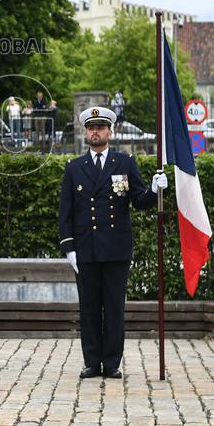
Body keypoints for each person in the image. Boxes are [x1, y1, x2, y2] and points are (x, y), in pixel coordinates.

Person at [58, 107, 166, 379]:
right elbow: (66, 212)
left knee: (115, 307)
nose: (95, 132)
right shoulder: (74, 168)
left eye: (101, 127)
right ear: (86, 132)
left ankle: (112, 363)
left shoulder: (124, 162)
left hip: (116, 248)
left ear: (110, 131)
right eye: (91, 127)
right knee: (90, 307)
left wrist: (154, 190)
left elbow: (139, 201)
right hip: (86, 248)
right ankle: (92, 362)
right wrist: (69, 247)